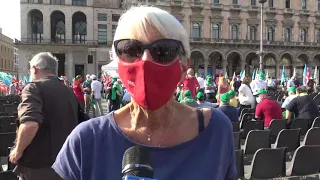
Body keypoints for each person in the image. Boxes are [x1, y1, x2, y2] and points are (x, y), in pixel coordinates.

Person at [52, 6, 236, 180]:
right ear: (119, 66)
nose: (145, 61)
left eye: (163, 50)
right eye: (130, 50)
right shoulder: (86, 141)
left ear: (183, 68)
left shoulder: (216, 130)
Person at [10, 52, 78, 180]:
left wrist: (17, 151)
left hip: (39, 166)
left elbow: (30, 124)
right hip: (67, 164)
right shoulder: (68, 91)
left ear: (34, 69)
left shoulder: (33, 87)